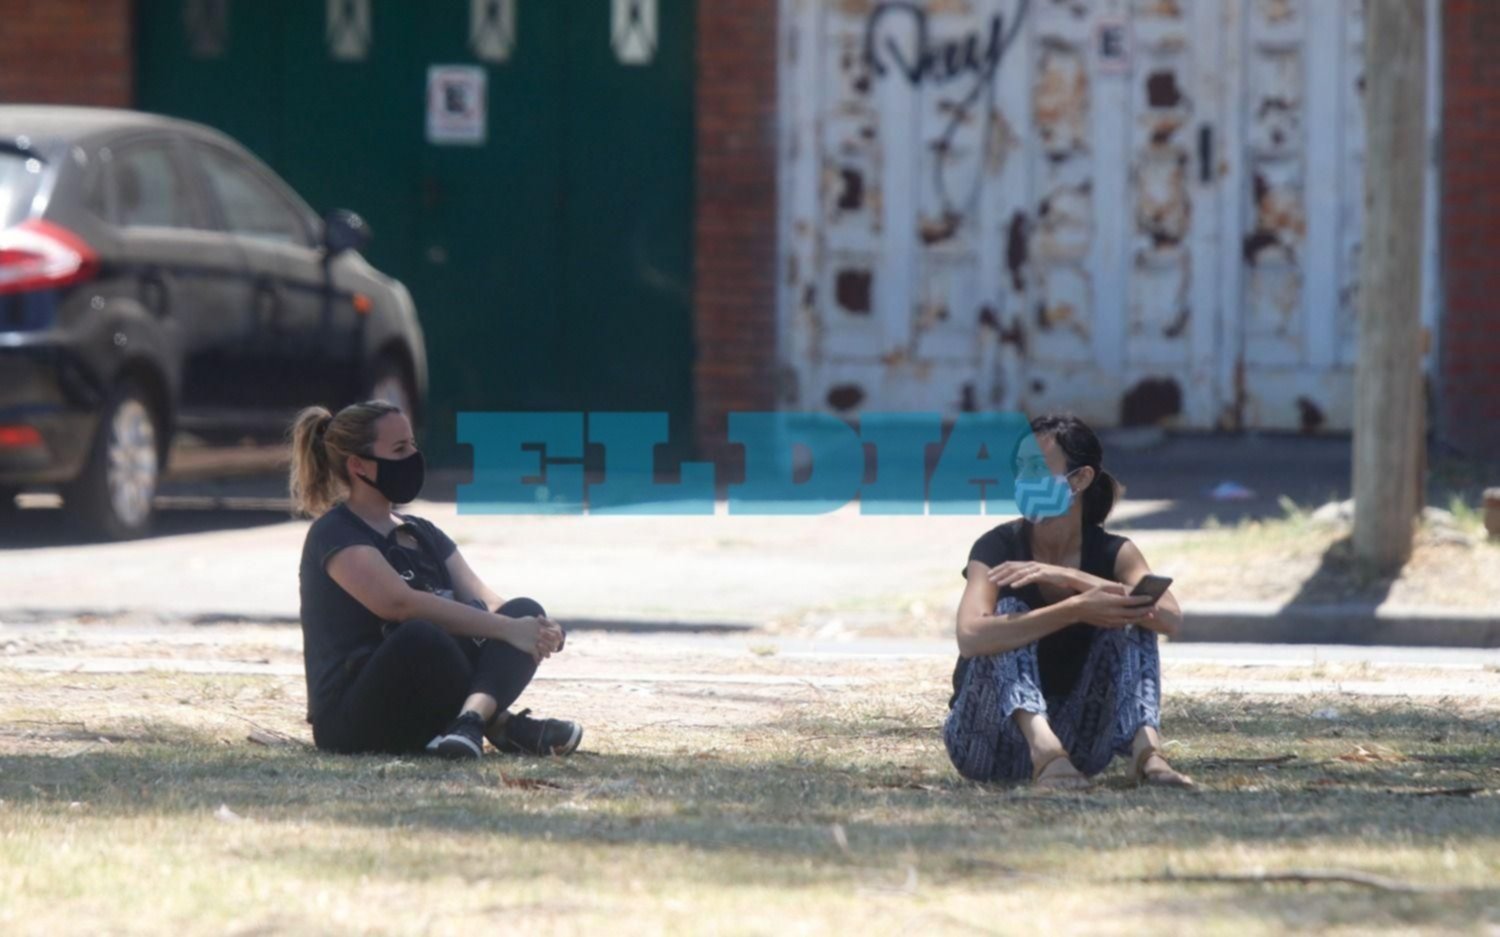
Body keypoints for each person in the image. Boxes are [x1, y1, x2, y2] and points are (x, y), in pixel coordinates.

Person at [288, 399, 582, 760]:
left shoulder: (422, 532)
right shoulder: (334, 532)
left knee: (523, 609)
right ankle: (502, 726)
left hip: (424, 701)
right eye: (399, 449)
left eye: (413, 445)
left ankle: (470, 722)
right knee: (421, 632)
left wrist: (536, 627)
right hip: (353, 718)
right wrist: (507, 629)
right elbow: (399, 604)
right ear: (357, 465)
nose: (413, 456)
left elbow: (487, 600)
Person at [943, 414, 1194, 790]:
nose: (1025, 480)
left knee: (1136, 610)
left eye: (1038, 468)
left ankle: (1148, 756)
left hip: (1082, 747)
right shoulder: (996, 547)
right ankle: (1046, 755)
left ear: (1080, 479)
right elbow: (970, 636)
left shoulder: (1115, 552)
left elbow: (1170, 618)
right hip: (986, 743)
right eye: (1020, 469)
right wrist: (1075, 609)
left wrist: (1071, 579)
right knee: (1007, 614)